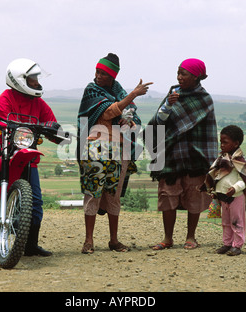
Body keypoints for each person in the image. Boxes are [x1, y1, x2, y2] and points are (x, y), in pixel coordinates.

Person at [0, 58, 58, 257]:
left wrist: (58, 133)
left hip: (23, 151)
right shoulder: (6, 98)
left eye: (36, 77)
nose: (37, 81)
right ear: (20, 80)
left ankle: (30, 244)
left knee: (35, 200)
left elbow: (52, 124)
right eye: (32, 78)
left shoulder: (39, 103)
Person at [77, 53, 152, 254]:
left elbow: (134, 120)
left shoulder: (120, 93)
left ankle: (114, 240)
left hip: (120, 150)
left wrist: (130, 121)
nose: (98, 76)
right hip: (96, 148)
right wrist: (133, 95)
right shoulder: (92, 91)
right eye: (97, 71)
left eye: (103, 73)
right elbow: (109, 112)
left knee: (114, 195)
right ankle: (88, 240)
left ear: (113, 77)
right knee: (93, 193)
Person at [147, 58, 218, 250]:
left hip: (196, 157)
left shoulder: (205, 99)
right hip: (171, 154)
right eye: (178, 73)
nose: (179, 77)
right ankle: (167, 238)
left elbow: (204, 130)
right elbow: (157, 122)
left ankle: (191, 237)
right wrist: (168, 106)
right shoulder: (172, 95)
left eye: (183, 74)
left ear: (196, 77)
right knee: (168, 195)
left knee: (194, 196)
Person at [201, 125, 246, 256]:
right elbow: (216, 175)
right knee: (226, 222)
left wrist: (235, 188)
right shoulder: (221, 159)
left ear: (236, 143)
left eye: (225, 142)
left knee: (237, 222)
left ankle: (237, 245)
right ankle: (227, 244)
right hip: (223, 197)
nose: (222, 145)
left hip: (236, 197)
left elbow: (245, 180)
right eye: (221, 142)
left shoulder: (239, 162)